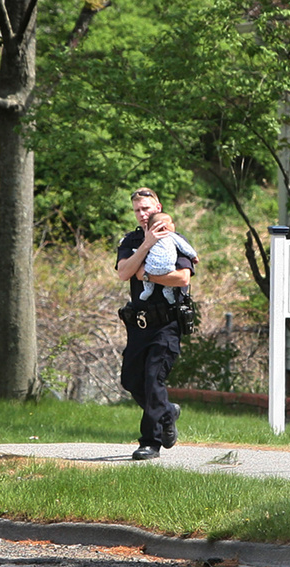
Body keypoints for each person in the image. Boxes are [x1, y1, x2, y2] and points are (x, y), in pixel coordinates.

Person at [116, 187, 196, 461]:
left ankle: (150, 441)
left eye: (146, 209)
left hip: (166, 324)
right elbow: (124, 272)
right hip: (138, 324)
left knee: (153, 379)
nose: (142, 214)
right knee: (130, 379)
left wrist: (147, 274)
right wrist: (146, 245)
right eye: (138, 210)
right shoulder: (131, 240)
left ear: (158, 207)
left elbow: (182, 278)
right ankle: (166, 411)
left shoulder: (174, 238)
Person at [139, 212, 198, 304]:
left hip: (150, 269)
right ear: (164, 228)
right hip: (168, 269)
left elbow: (143, 250)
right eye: (171, 223)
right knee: (170, 279)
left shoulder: (149, 239)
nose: (174, 225)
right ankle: (167, 291)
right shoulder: (171, 236)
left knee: (147, 276)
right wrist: (193, 256)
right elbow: (184, 247)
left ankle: (147, 290)